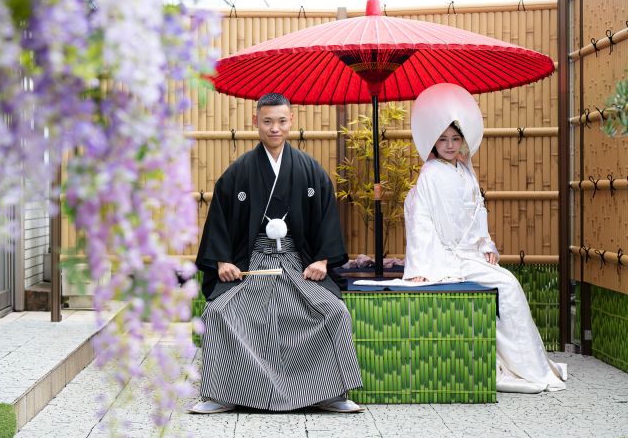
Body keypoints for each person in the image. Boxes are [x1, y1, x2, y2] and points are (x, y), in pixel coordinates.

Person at [190, 92, 364, 414]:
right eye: (267, 121)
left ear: (291, 122)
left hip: (298, 262)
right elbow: (218, 221)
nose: (274, 128)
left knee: (334, 311)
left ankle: (330, 392)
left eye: (281, 121)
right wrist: (223, 261)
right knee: (217, 312)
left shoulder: (310, 170)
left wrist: (323, 260)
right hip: (250, 262)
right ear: (255, 122)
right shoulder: (238, 172)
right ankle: (223, 394)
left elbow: (326, 219)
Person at [404, 83, 567, 393]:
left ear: (463, 141)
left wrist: (485, 245)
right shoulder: (429, 175)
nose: (450, 145)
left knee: (508, 285)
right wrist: (419, 267)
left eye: (455, 139)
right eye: (443, 139)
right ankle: (524, 366)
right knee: (508, 284)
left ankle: (526, 363)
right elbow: (420, 222)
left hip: (471, 254)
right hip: (445, 257)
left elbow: (479, 211)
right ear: (433, 143)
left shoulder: (466, 171)